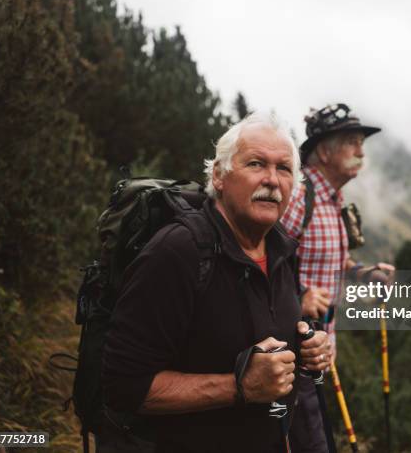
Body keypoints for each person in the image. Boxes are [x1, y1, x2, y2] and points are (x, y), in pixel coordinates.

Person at [102, 112, 331, 453]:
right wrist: (240, 387)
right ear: (219, 175)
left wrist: (307, 347)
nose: (272, 180)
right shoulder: (178, 252)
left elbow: (258, 335)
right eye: (256, 164)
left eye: (284, 169)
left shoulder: (281, 247)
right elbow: (122, 386)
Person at [281, 103, 395, 452]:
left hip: (320, 349)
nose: (361, 150)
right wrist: (298, 296)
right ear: (325, 151)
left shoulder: (332, 200)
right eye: (351, 141)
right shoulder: (299, 198)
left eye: (361, 142)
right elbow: (265, 263)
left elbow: (334, 259)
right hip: (290, 351)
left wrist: (365, 272)